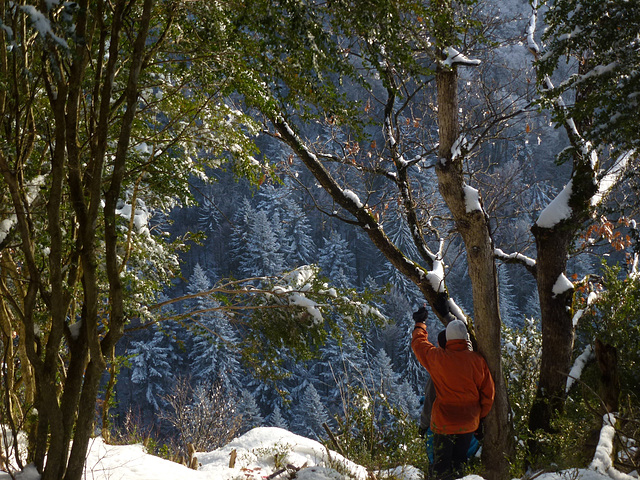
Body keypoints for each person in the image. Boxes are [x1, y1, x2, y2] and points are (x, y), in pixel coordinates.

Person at [411, 307, 495, 480]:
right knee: (459, 463)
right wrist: (479, 418)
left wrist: (420, 324)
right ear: (466, 338)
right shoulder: (478, 361)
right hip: (469, 423)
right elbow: (488, 395)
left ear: (448, 338)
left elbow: (418, 345)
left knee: (441, 466)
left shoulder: (437, 358)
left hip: (443, 424)